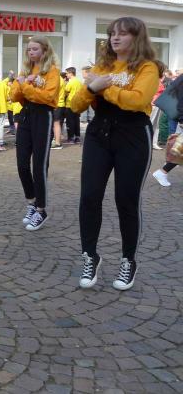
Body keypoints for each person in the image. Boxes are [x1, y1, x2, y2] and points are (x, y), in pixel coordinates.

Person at [68, 17, 163, 291]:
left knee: (126, 200)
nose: (115, 38)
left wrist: (102, 87)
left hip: (133, 135)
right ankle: (90, 256)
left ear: (137, 37)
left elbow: (137, 100)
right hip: (99, 133)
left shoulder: (147, 67)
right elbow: (75, 105)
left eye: (123, 33)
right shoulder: (103, 67)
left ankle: (128, 260)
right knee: (89, 196)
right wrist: (90, 87)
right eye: (112, 33)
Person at [10, 37, 61, 231]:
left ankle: (41, 209)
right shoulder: (26, 70)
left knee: (39, 165)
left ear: (45, 51)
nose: (31, 52)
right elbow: (13, 95)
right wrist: (24, 84)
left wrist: (25, 86)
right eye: (29, 49)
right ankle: (31, 202)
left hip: (43, 116)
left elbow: (47, 97)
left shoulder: (52, 71)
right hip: (25, 115)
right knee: (22, 164)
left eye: (35, 49)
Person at [64, 67, 82, 143]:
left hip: (70, 104)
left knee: (70, 121)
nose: (66, 75)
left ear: (71, 73)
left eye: (67, 73)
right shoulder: (79, 82)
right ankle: (77, 137)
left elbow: (65, 91)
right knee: (76, 120)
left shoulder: (70, 82)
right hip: (77, 104)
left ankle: (71, 137)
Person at [51, 74, 67, 150]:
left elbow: (53, 93)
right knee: (56, 124)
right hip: (59, 104)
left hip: (57, 104)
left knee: (56, 124)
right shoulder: (60, 79)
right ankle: (56, 141)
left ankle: (57, 143)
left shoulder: (57, 79)